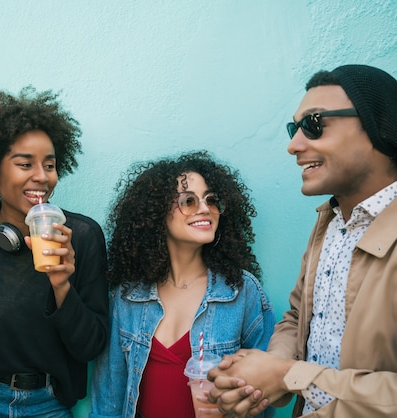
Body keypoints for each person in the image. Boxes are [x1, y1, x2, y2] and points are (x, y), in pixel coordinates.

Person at [207, 64, 397, 417]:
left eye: (314, 124)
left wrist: (289, 375)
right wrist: (271, 370)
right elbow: (298, 317)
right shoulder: (329, 222)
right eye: (294, 128)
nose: (294, 145)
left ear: (377, 126)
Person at [0, 86, 109, 417]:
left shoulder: (83, 237)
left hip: (49, 403)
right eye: (25, 163)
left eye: (50, 164)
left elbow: (91, 346)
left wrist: (61, 284)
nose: (41, 177)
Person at [89, 150, 275, 418]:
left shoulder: (242, 291)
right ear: (155, 214)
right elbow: (109, 397)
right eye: (188, 200)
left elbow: (263, 398)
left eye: (212, 200)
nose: (204, 208)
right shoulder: (128, 296)